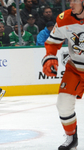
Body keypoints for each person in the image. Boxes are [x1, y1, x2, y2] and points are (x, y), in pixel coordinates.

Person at [41, 0, 84, 149]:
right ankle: (71, 139)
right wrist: (50, 56)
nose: (70, 4)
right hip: (75, 69)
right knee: (63, 105)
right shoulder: (64, 18)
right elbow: (53, 42)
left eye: (74, 1)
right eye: (69, 0)